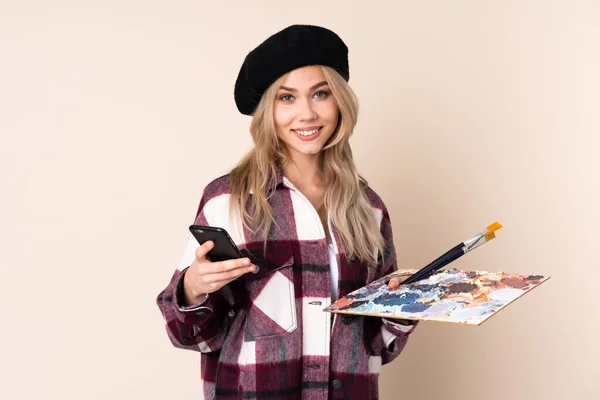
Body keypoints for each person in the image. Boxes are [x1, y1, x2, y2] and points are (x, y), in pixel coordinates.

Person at [157, 24, 418, 400]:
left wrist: (402, 310)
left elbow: (377, 347)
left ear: (340, 101)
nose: (307, 114)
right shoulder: (227, 200)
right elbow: (191, 337)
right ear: (268, 110)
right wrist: (193, 287)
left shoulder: (369, 208)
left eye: (320, 94)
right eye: (287, 98)